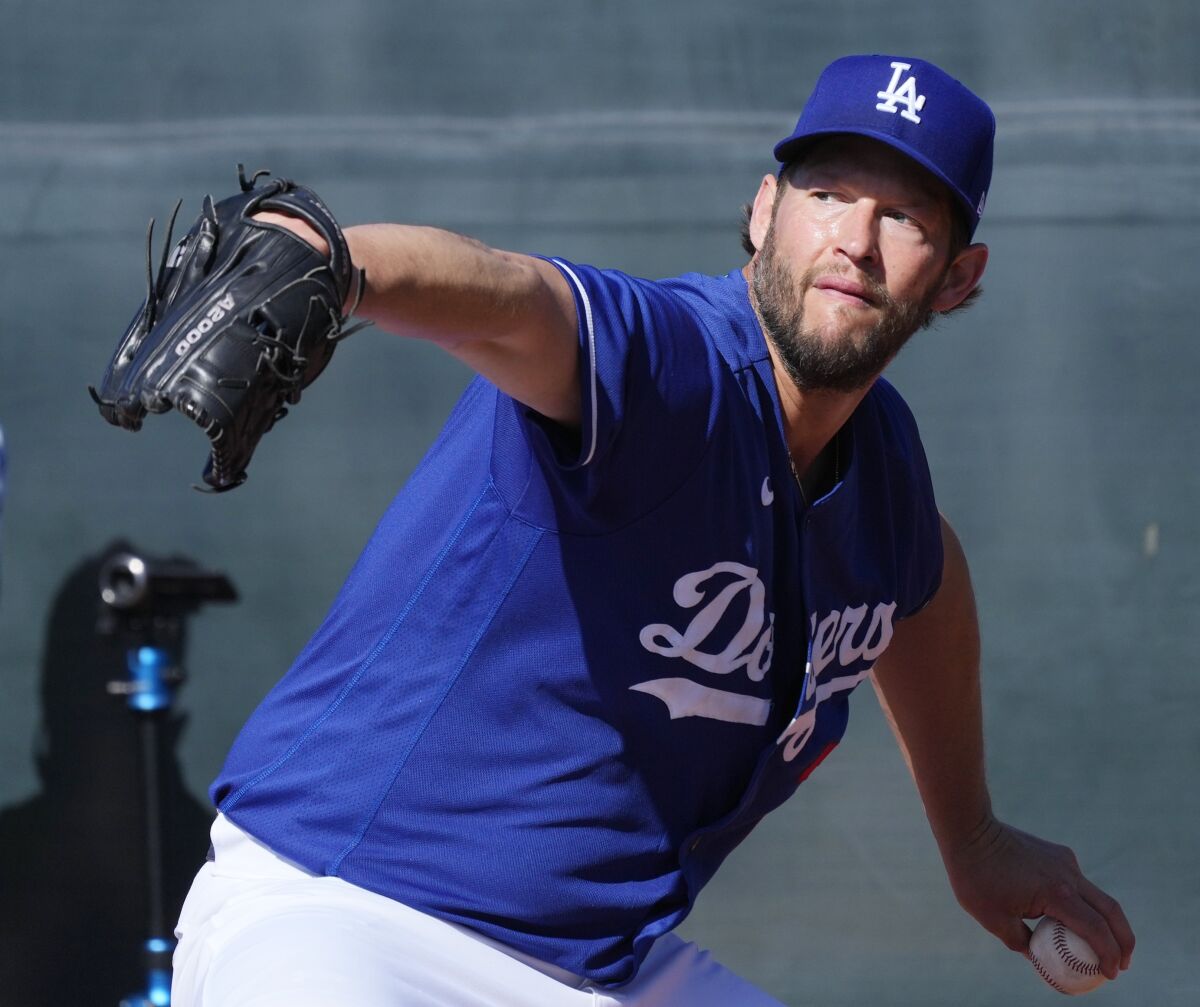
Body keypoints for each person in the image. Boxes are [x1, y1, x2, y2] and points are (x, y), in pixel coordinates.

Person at [171, 54, 1135, 1005]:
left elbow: (922, 583)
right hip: (345, 912)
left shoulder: (880, 466)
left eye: (906, 217)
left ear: (957, 278)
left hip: (595, 964)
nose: (855, 240)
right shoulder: (675, 367)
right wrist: (333, 260)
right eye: (829, 194)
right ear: (765, 213)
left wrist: (972, 838)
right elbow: (517, 300)